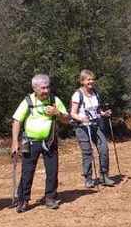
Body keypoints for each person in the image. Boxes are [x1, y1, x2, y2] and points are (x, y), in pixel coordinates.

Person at [11, 74, 70, 212]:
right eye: (43, 88)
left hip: (50, 141)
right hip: (31, 142)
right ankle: (23, 200)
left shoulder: (54, 100)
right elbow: (17, 121)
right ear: (34, 88)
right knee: (27, 172)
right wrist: (15, 142)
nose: (46, 91)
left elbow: (67, 120)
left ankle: (50, 198)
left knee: (52, 171)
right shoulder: (27, 101)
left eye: (48, 87)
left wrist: (57, 113)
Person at [69, 70, 115, 188]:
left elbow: (97, 110)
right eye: (88, 79)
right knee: (87, 152)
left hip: (95, 124)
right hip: (82, 127)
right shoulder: (77, 95)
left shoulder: (95, 93)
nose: (91, 81)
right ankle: (88, 178)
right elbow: (72, 113)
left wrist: (104, 113)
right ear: (82, 81)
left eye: (92, 79)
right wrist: (81, 118)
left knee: (104, 148)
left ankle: (104, 175)